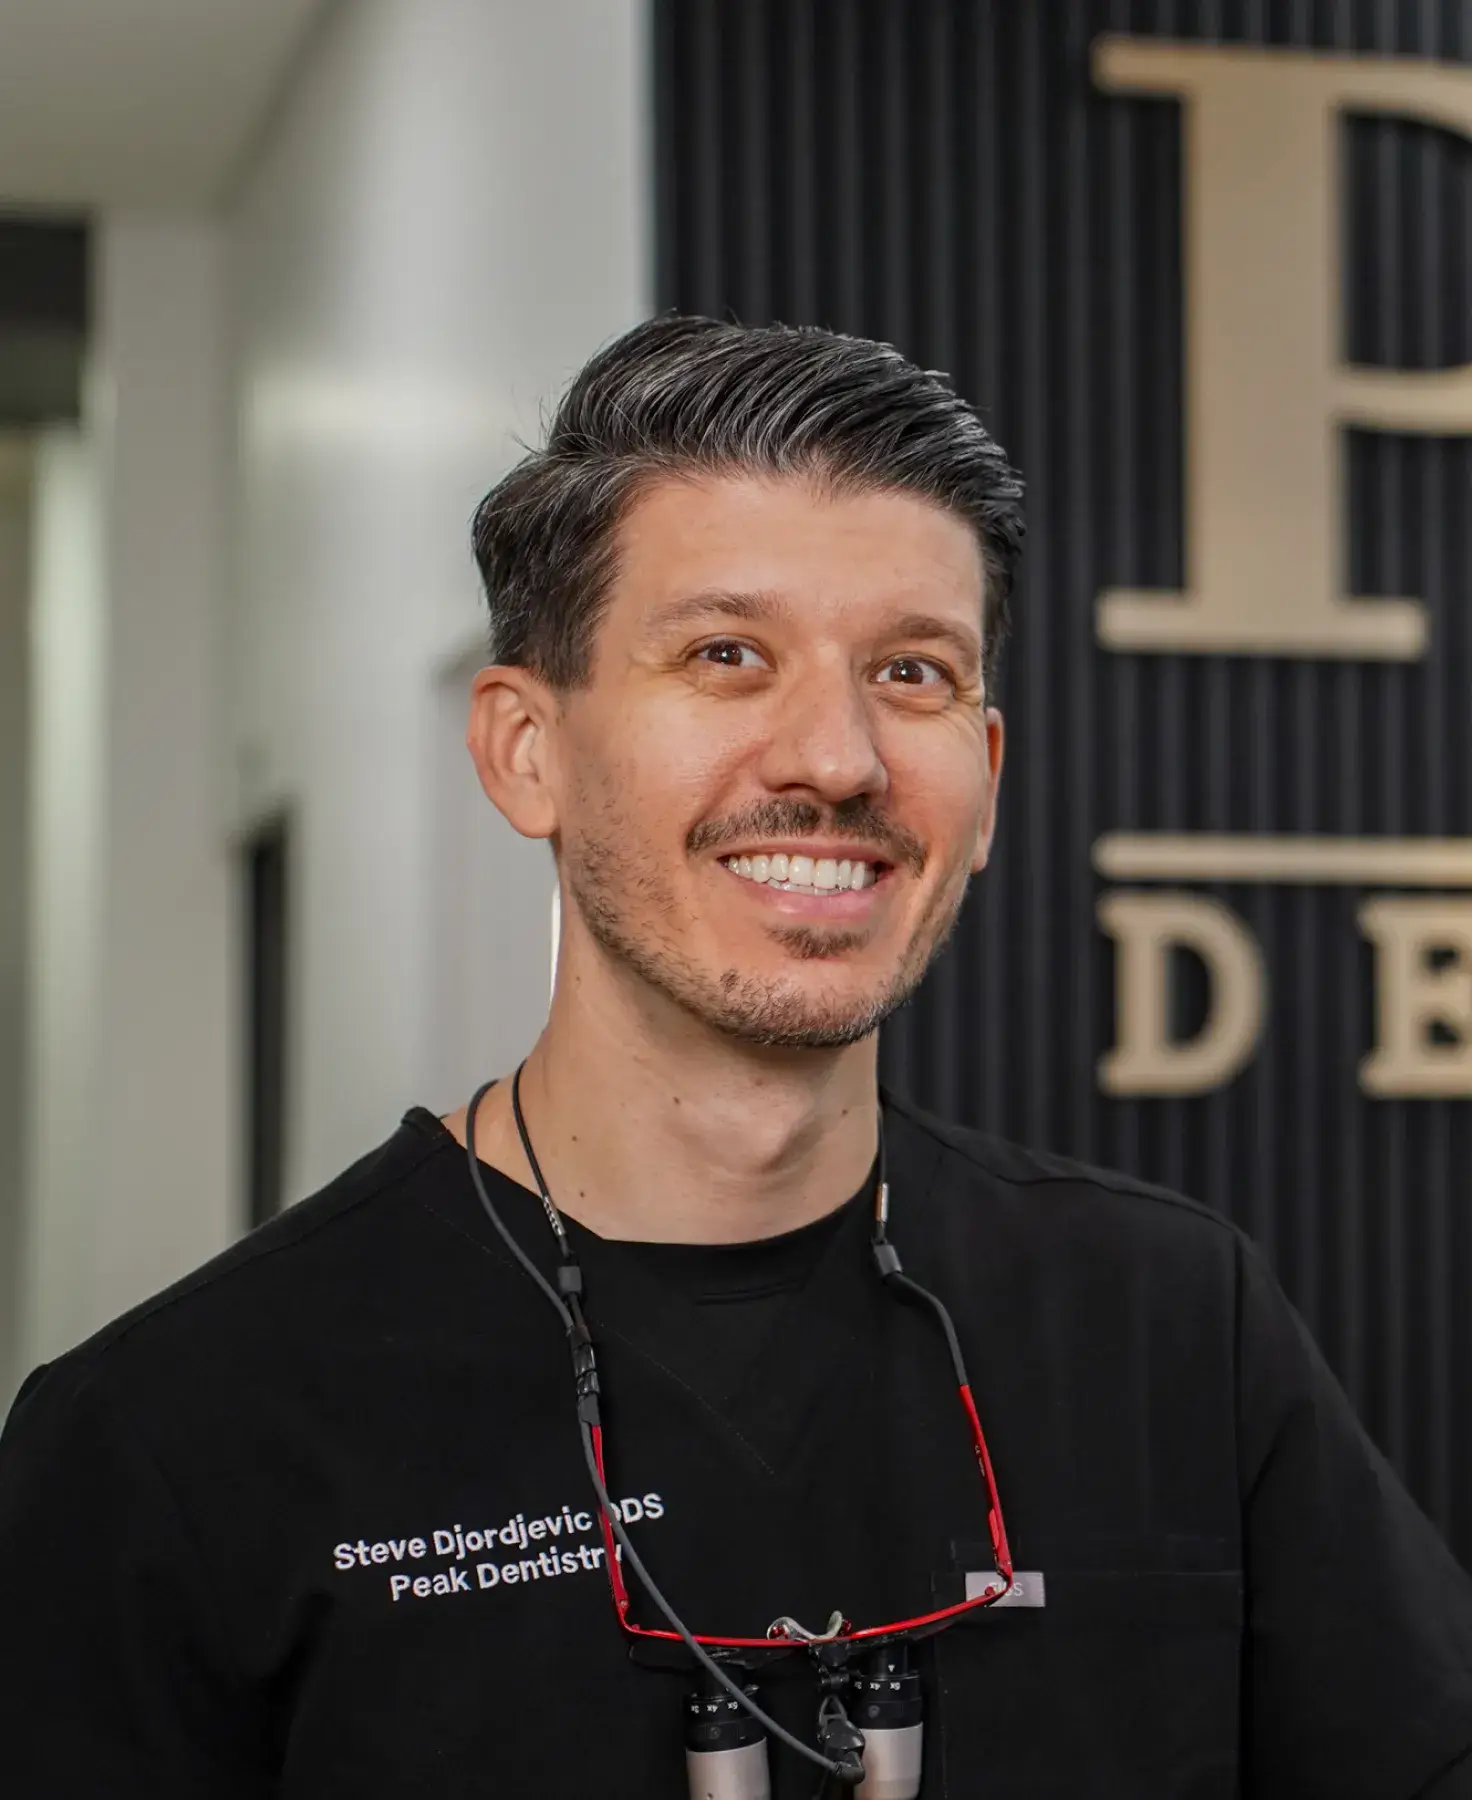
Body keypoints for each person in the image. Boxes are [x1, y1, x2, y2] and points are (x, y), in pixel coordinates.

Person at [2, 315, 1470, 1800]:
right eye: (726, 655)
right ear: (527, 750)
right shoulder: (175, 1436)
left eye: (912, 674)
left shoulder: (1170, 1326)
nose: (835, 758)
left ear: (991, 773)